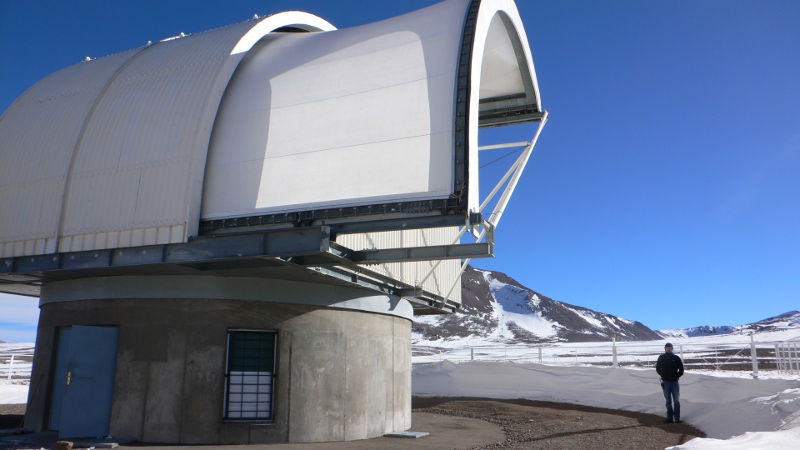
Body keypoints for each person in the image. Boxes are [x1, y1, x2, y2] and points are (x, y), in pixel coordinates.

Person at [656, 342, 684, 423]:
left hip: (675, 382)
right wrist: (663, 375)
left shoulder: (676, 358)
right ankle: (669, 417)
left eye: (669, 347)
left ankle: (677, 418)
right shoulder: (661, 357)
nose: (668, 349)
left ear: (672, 349)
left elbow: (681, 369)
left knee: (676, 400)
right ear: (665, 349)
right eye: (667, 348)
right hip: (665, 382)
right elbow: (658, 368)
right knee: (668, 401)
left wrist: (676, 376)